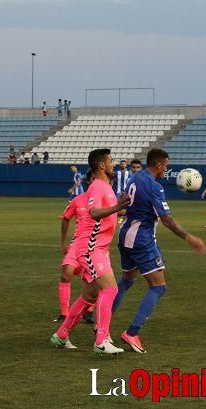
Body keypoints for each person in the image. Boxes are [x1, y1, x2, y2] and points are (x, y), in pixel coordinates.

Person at [112, 148, 206, 353]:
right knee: (158, 286)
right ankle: (132, 332)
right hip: (141, 240)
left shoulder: (135, 177)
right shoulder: (154, 186)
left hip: (125, 234)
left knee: (127, 279)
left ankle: (101, 324)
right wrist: (189, 237)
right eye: (166, 165)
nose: (167, 169)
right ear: (160, 164)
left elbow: (125, 201)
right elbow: (167, 220)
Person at [51, 148, 130, 355]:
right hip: (90, 248)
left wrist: (126, 208)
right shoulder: (97, 186)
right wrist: (116, 208)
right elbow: (95, 213)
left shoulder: (106, 188)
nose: (113, 164)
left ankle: (61, 335)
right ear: (102, 165)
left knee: (90, 295)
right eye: (111, 161)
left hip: (99, 249)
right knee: (110, 289)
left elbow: (115, 211)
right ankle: (101, 340)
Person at [55, 170, 95, 324]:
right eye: (93, 179)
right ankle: (64, 313)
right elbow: (65, 219)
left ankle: (88, 312)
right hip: (77, 244)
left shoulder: (105, 201)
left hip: (95, 247)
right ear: (88, 182)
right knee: (66, 274)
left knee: (94, 282)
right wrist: (63, 243)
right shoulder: (78, 200)